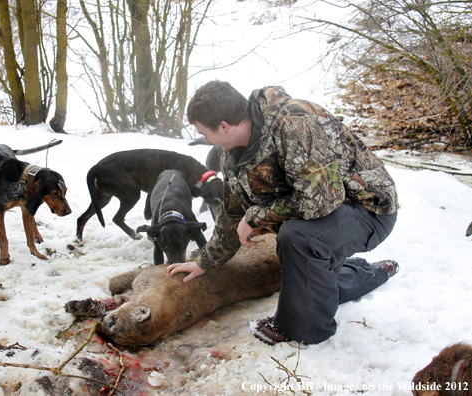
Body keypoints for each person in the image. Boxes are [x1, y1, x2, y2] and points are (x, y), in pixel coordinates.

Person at [168, 81, 399, 345]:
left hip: (368, 208)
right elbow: (233, 213)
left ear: (224, 126)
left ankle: (305, 330)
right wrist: (205, 261)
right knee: (305, 276)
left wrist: (255, 216)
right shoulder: (231, 155)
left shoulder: (294, 122)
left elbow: (320, 202)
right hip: (326, 213)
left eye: (205, 133)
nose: (205, 140)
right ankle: (365, 273)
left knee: (297, 238)